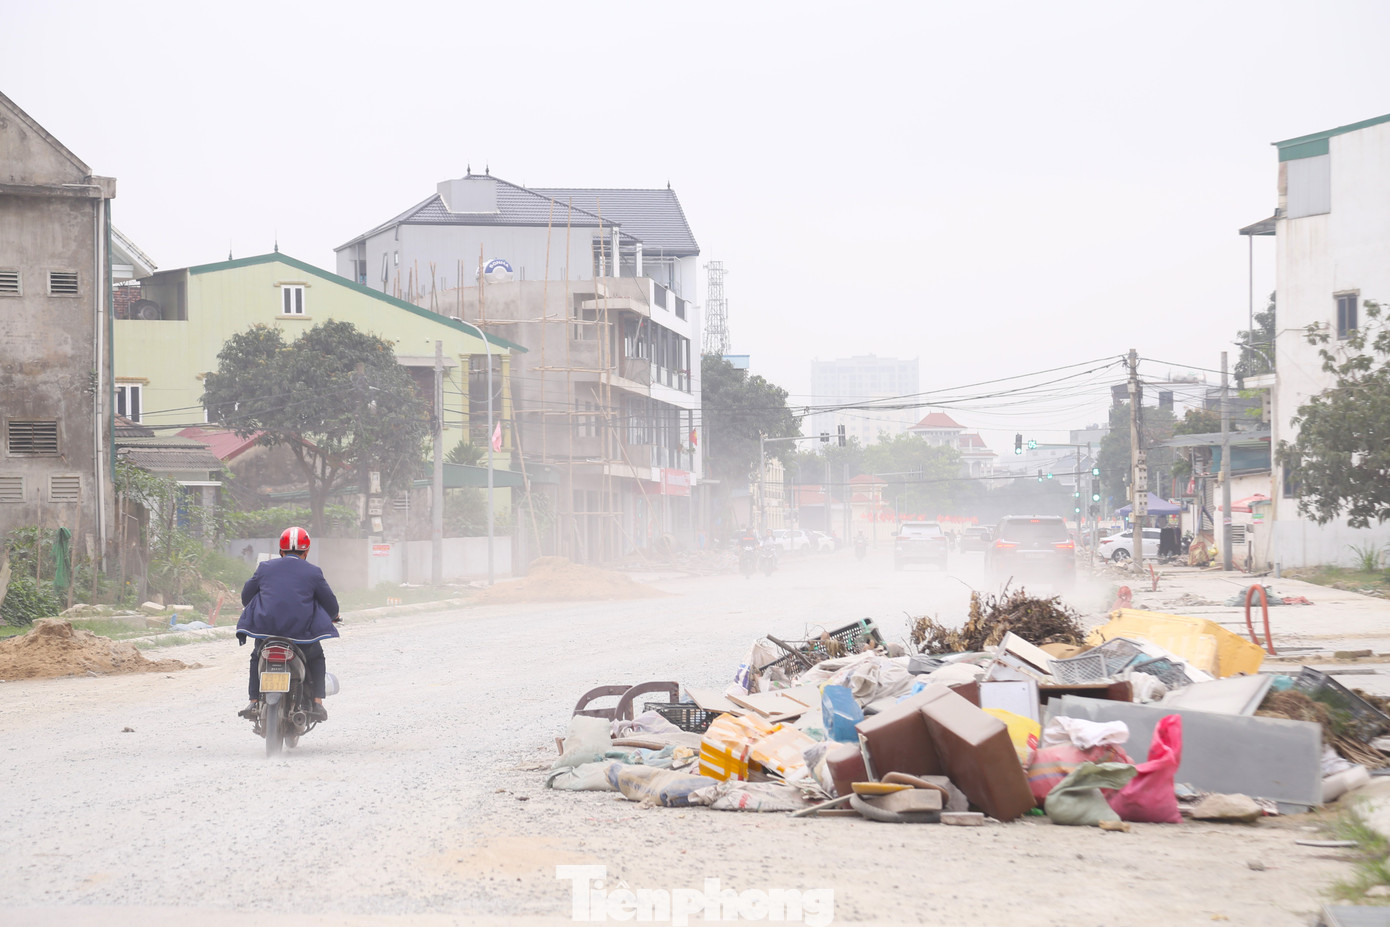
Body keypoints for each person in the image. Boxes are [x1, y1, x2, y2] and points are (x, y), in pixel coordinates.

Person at [236, 527, 339, 722]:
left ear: (281, 550)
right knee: (317, 657)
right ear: (306, 551)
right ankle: (317, 702)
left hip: (267, 634)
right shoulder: (313, 572)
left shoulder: (265, 567)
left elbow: (246, 597)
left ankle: (253, 700)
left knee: (256, 657)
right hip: (301, 637)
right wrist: (334, 616)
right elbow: (331, 606)